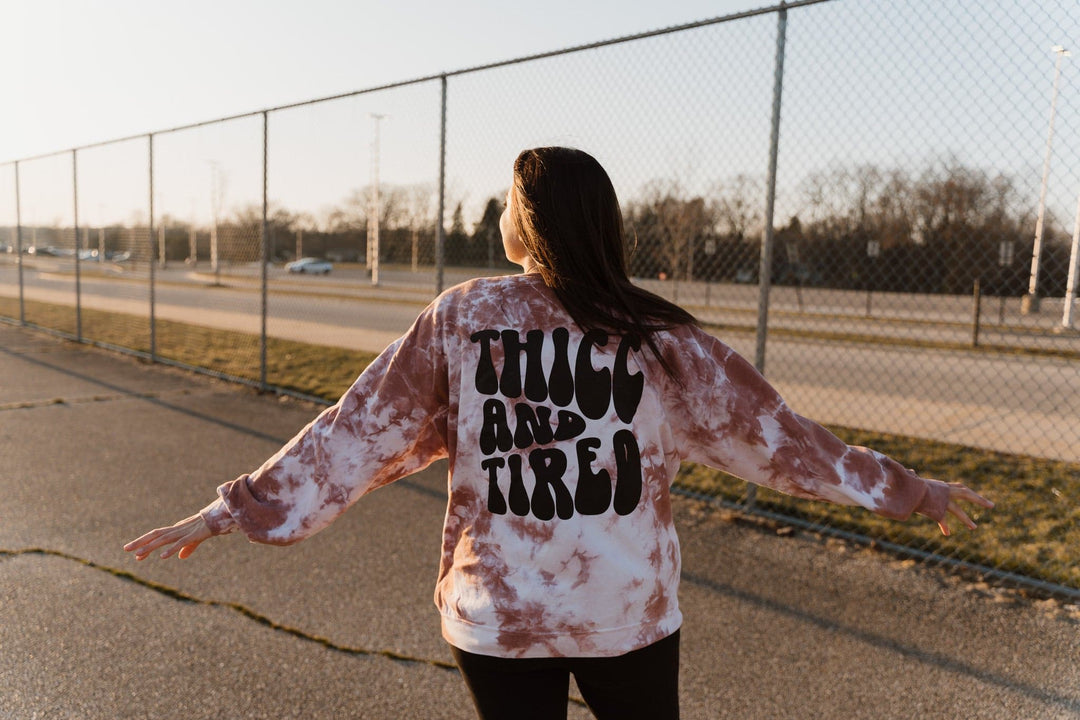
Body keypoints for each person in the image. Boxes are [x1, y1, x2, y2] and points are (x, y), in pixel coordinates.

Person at [125, 146, 992, 720]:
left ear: (527, 222)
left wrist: (234, 510)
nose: (499, 216)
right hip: (626, 615)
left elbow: (357, 435)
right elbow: (784, 442)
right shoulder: (657, 335)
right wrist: (913, 491)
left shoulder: (465, 319)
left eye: (508, 202)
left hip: (500, 619)